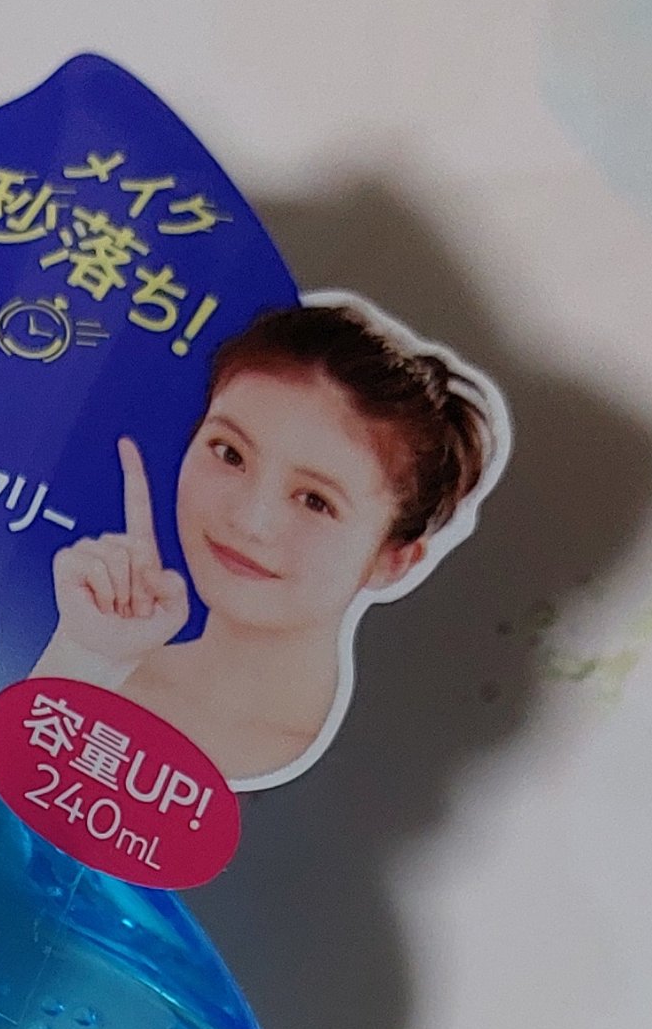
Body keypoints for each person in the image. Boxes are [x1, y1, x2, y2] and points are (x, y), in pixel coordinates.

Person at [30, 298, 503, 785]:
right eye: (229, 453)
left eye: (315, 501)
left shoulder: (366, 777)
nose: (250, 521)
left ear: (395, 560)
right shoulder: (95, 662)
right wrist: (83, 658)